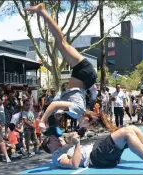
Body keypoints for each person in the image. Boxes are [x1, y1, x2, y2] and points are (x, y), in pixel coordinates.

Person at [24, 3, 97, 132]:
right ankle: (42, 10)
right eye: (87, 126)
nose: (84, 128)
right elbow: (55, 104)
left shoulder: (76, 113)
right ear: (86, 119)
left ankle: (42, 12)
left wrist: (59, 112)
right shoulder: (79, 111)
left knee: (60, 43)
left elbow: (64, 102)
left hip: (86, 79)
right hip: (84, 72)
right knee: (61, 42)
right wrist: (42, 121)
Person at [41, 113, 143, 174]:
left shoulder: (63, 145)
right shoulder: (57, 156)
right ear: (49, 146)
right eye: (53, 138)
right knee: (127, 133)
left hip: (100, 151)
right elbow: (74, 164)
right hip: (97, 157)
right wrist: (77, 144)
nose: (56, 138)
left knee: (133, 129)